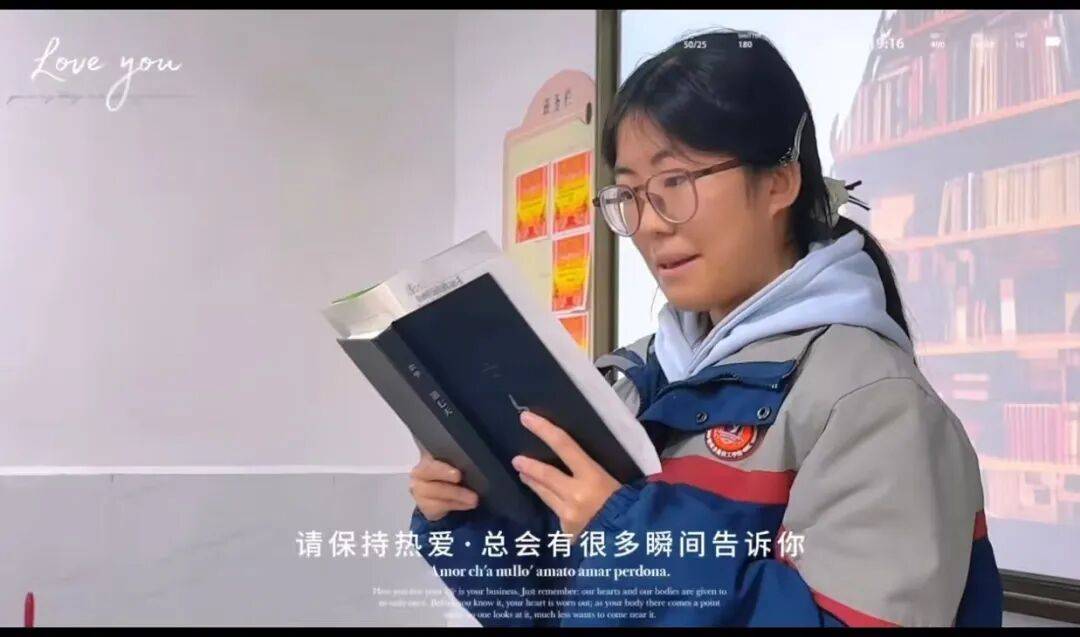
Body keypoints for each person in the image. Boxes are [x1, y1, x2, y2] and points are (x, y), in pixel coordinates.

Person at [407, 28, 1003, 627]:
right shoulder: (630, 380)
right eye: (630, 194)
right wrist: (467, 516)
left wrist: (628, 542)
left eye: (675, 182)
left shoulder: (870, 400)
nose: (649, 224)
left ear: (779, 181)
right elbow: (553, 610)